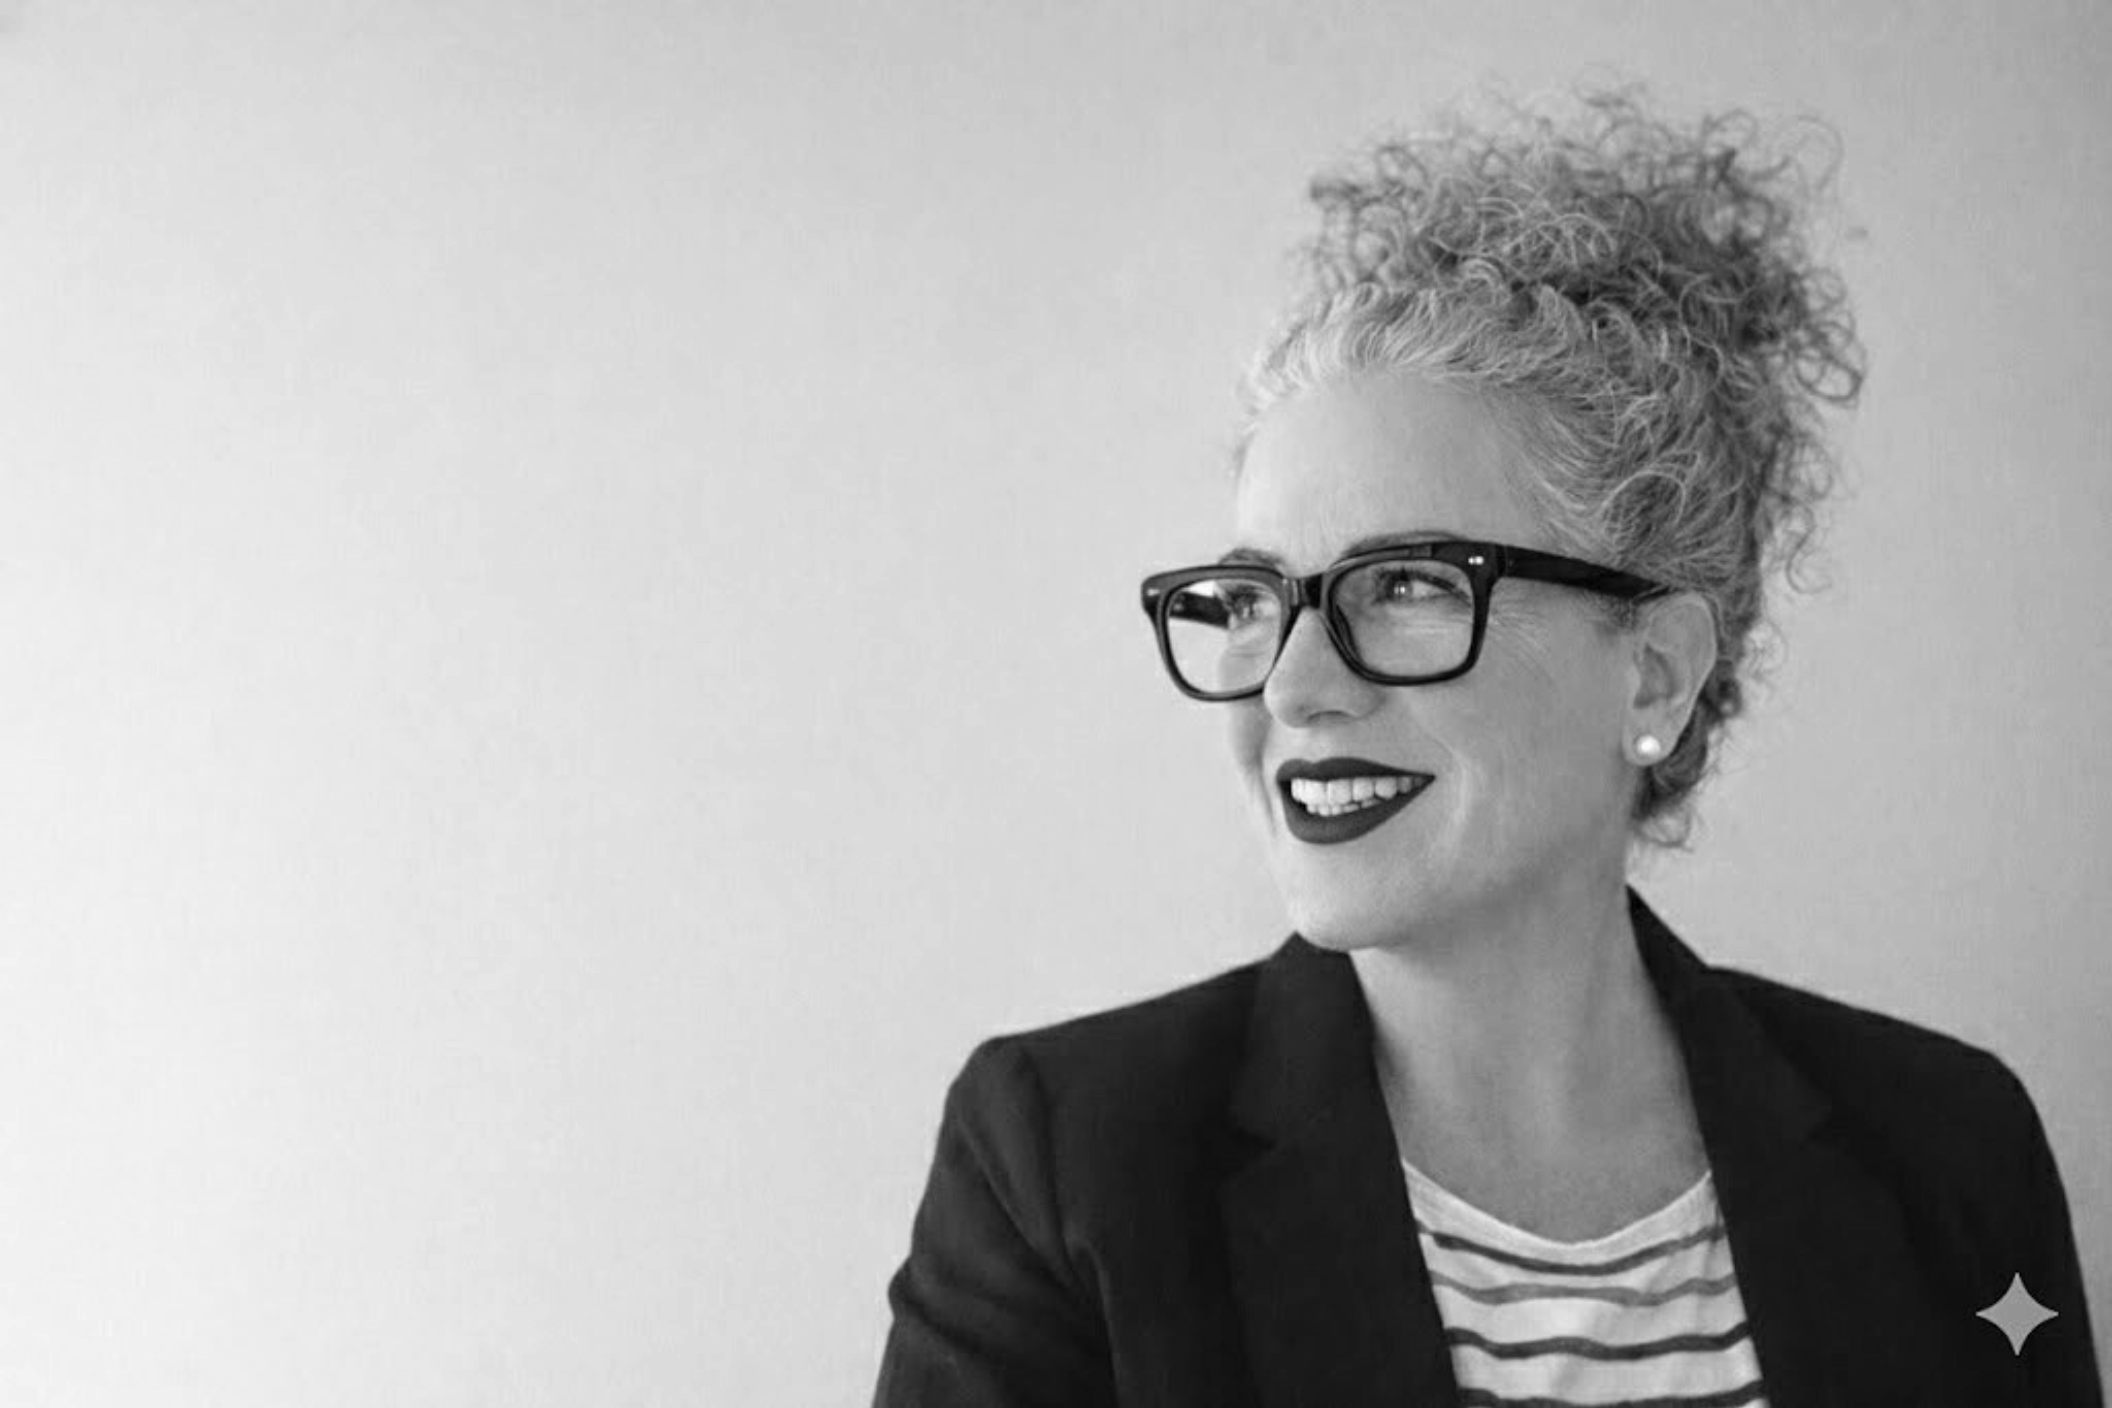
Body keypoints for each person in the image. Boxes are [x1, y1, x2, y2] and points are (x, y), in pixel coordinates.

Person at [873, 90, 2102, 1407]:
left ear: (1657, 668)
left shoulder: (1948, 1150)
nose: (1294, 686)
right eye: (1253, 600)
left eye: (1403, 585)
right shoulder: (1062, 1167)